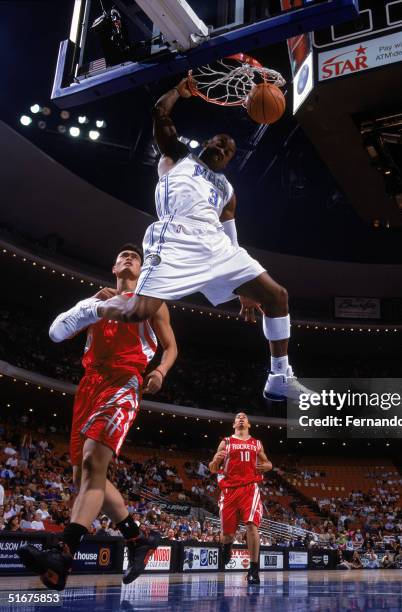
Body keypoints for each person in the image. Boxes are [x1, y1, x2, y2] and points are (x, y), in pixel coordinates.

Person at [70, 79, 311, 402]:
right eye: (218, 143)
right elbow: (159, 113)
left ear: (229, 160)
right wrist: (177, 92)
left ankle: (279, 376)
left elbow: (230, 236)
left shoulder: (227, 191)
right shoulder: (178, 157)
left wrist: (243, 287)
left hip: (214, 247)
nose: (221, 149)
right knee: (139, 312)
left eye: (227, 150)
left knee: (276, 296)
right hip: (175, 240)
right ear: (207, 144)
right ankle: (93, 310)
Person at [18, 244, 178, 590]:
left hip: (124, 381)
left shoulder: (153, 301)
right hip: (90, 385)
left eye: (135, 256)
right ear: (114, 266)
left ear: (141, 268)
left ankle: (64, 551)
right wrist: (91, 306)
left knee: (93, 464)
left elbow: (172, 346)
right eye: (123, 255)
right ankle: (137, 540)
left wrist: (161, 372)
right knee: (82, 477)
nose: (129, 257)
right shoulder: (98, 301)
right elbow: (61, 331)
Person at [209, 412, 272, 584]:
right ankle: (226, 546)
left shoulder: (256, 443)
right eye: (238, 417)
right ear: (234, 424)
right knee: (228, 534)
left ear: (249, 424)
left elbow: (268, 463)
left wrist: (267, 465)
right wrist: (215, 461)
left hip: (250, 489)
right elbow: (213, 468)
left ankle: (254, 569)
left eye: (244, 417)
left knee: (251, 526)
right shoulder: (226, 442)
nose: (241, 418)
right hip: (229, 490)